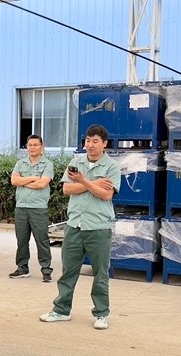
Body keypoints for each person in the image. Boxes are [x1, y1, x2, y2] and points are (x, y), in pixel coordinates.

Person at [39, 124, 119, 330]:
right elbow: (67, 189)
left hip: (98, 227)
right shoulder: (76, 162)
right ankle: (61, 310)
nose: (90, 145)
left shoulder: (111, 166)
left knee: (100, 273)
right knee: (68, 271)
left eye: (95, 141)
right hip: (75, 225)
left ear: (104, 144)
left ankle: (101, 313)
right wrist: (93, 184)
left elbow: (106, 195)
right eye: (87, 141)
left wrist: (83, 181)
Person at [8, 135, 53, 281]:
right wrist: (33, 178)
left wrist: (23, 181)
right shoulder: (20, 163)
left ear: (41, 146)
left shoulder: (47, 164)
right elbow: (14, 180)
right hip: (21, 207)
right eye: (29, 145)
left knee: (42, 240)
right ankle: (22, 268)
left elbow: (42, 184)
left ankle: (46, 270)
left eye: (35, 145)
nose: (32, 147)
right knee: (21, 240)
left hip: (38, 208)